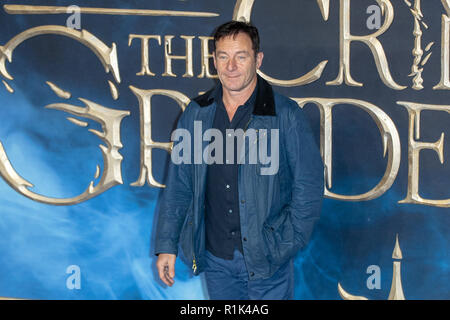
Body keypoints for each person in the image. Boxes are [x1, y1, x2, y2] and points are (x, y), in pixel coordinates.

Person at [154, 20, 324, 300]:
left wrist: (285, 244)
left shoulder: (286, 116)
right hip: (215, 261)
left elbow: (309, 185)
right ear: (214, 60)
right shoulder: (195, 114)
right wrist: (167, 245)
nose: (231, 66)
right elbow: (179, 186)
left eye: (240, 56)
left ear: (258, 59)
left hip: (268, 262)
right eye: (223, 56)